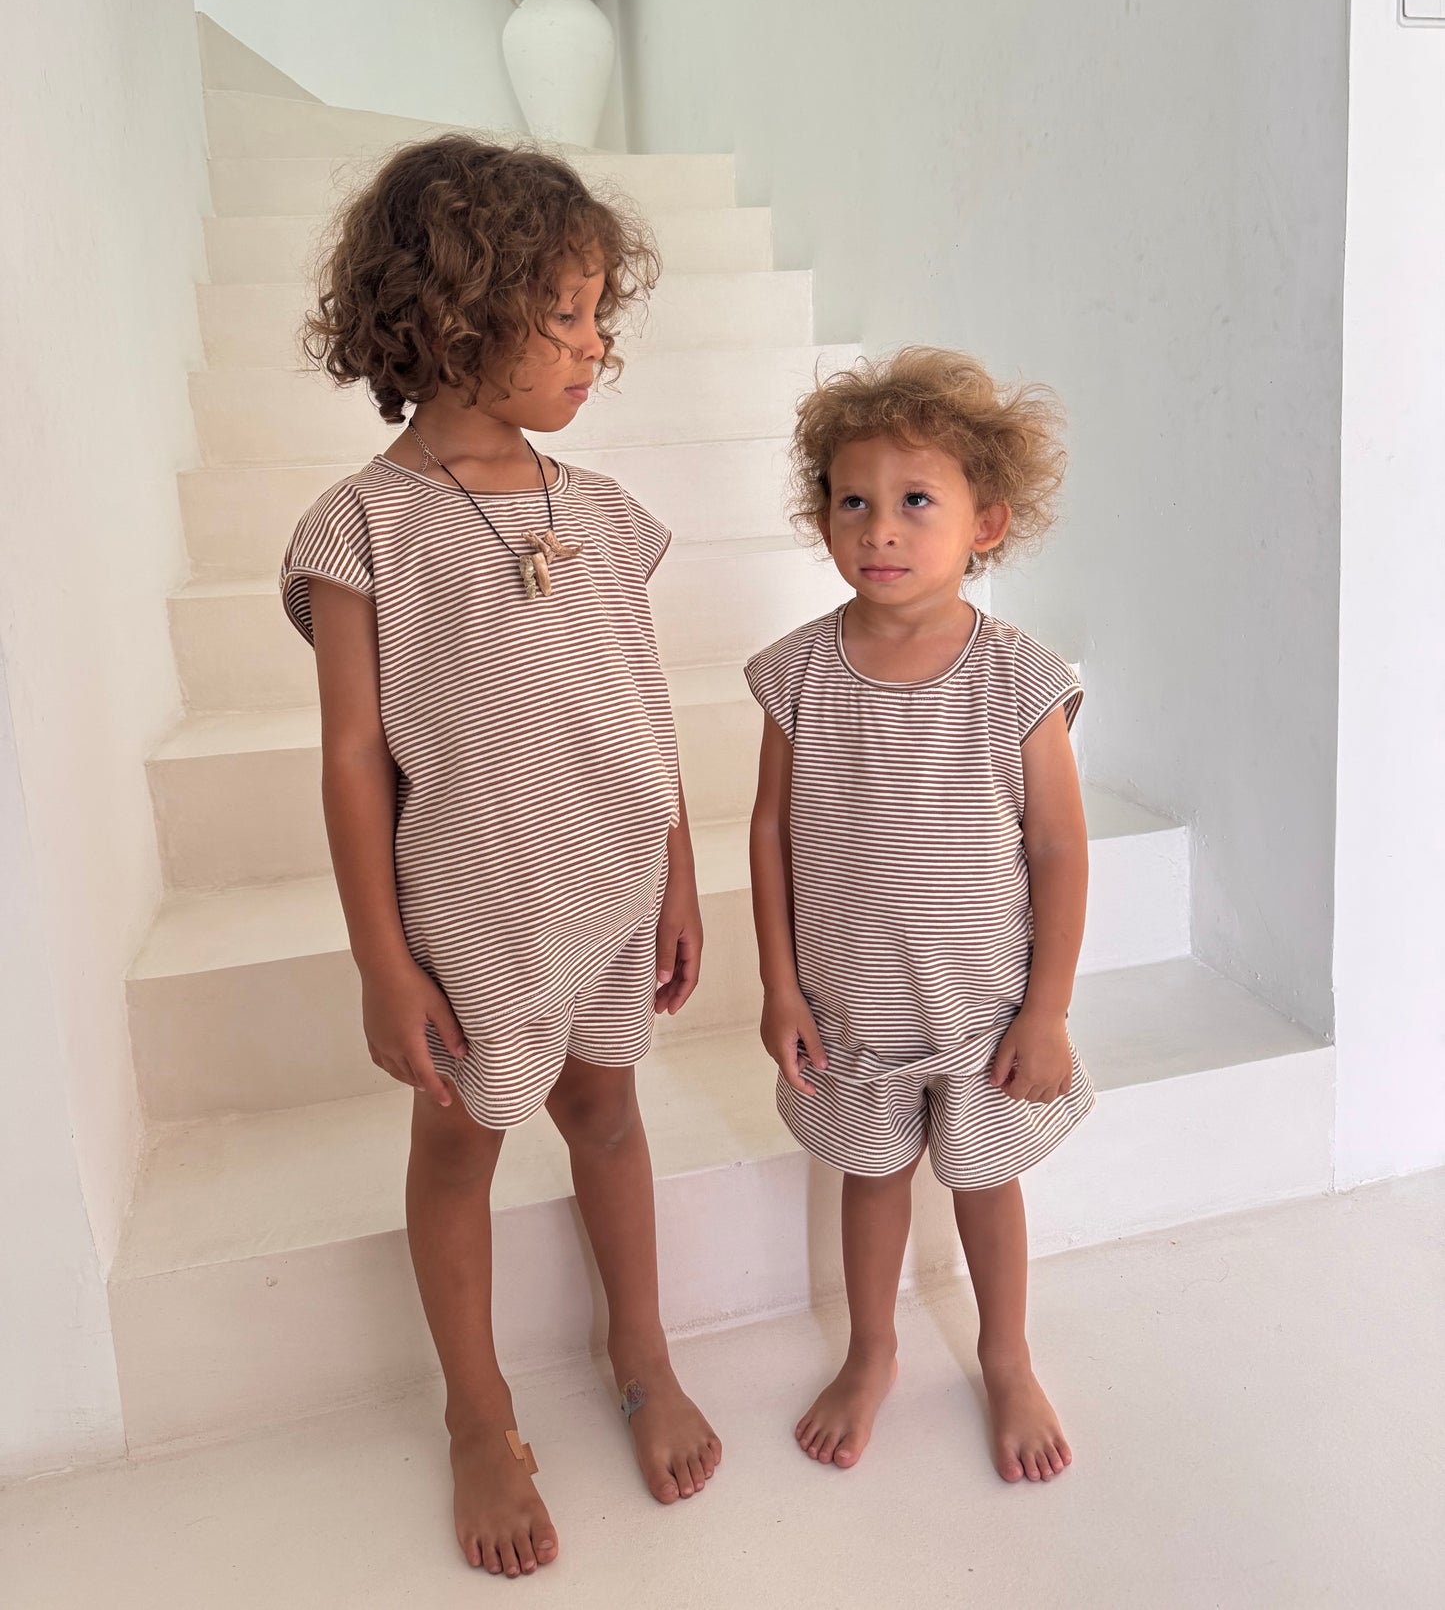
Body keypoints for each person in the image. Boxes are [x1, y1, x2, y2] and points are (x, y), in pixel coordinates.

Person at [280, 136, 721, 1578]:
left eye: (600, 315)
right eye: (567, 315)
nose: (597, 346)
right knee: (458, 1147)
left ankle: (640, 1353)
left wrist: (678, 868)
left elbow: (641, 700)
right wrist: (381, 960)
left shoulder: (598, 511)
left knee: (608, 1112)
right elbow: (355, 757)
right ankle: (476, 1412)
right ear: (459, 318)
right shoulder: (362, 528)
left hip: (610, 888)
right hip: (477, 910)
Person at [746, 346, 1094, 1482]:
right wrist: (780, 985)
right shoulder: (798, 673)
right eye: (852, 502)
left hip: (980, 1005)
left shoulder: (1017, 677)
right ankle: (872, 1349)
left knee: (985, 1183)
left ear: (983, 522)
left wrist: (1045, 1010)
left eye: (913, 502)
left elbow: (1056, 848)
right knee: (871, 1177)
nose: (878, 529)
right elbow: (769, 830)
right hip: (852, 1004)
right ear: (823, 518)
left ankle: (1005, 1356)